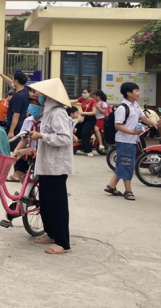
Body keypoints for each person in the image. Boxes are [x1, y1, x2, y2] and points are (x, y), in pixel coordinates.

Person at [25, 78, 74, 255]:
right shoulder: (49, 113)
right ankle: (52, 234)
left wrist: (42, 136)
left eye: (43, 95)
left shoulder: (58, 113)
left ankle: (63, 242)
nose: (39, 98)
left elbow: (65, 138)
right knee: (46, 203)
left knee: (57, 204)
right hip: (46, 165)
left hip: (56, 167)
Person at [105, 82, 161, 201]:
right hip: (124, 141)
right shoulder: (122, 108)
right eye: (136, 91)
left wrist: (154, 123)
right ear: (129, 93)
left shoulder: (135, 105)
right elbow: (118, 125)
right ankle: (128, 191)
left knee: (123, 163)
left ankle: (111, 186)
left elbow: (144, 118)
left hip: (131, 140)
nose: (139, 93)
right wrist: (133, 133)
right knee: (127, 165)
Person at [8, 93, 43, 183]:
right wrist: (16, 151)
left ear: (43, 107)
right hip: (30, 152)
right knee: (18, 165)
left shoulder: (45, 122)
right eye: (32, 103)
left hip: (42, 153)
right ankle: (27, 188)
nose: (33, 106)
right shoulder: (27, 121)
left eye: (37, 104)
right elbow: (24, 139)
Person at [0, 67, 29, 142]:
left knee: (12, 150)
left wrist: (11, 131)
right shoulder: (26, 92)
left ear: (16, 81)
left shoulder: (17, 96)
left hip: (16, 128)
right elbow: (10, 82)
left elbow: (16, 115)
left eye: (13, 79)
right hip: (21, 125)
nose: (12, 81)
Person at [71, 88, 97, 157]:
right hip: (83, 118)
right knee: (74, 129)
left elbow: (94, 112)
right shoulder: (81, 99)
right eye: (83, 92)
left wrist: (84, 112)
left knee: (85, 132)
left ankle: (89, 150)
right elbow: (74, 101)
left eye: (85, 93)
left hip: (90, 119)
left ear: (89, 93)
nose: (84, 94)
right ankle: (78, 144)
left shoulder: (93, 101)